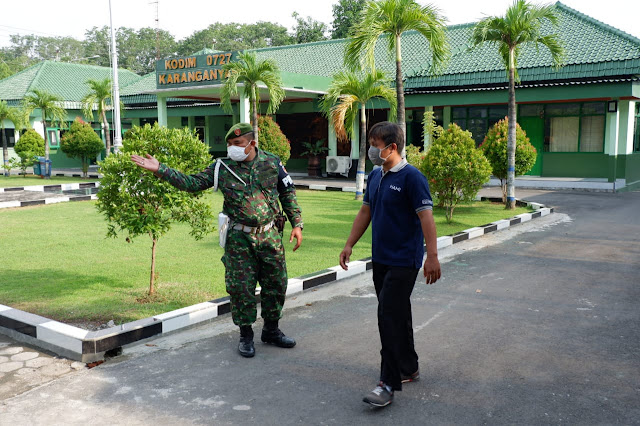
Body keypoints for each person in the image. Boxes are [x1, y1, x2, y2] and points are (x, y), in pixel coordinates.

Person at [131, 122, 303, 358]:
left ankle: (271, 331)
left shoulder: (272, 163)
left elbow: (287, 192)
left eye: (238, 144)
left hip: (270, 235)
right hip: (239, 239)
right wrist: (161, 169)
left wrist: (297, 224)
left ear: (251, 143)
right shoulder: (222, 167)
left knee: (276, 285)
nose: (232, 148)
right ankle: (246, 336)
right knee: (241, 289)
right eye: (230, 144)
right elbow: (192, 183)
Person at [339, 121, 441, 408]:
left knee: (388, 316)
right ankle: (409, 367)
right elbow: (365, 211)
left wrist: (431, 256)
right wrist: (349, 244)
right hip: (381, 259)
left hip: (404, 260)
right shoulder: (376, 176)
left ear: (392, 147)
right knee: (398, 314)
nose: (371, 150)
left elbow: (426, 218)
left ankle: (388, 382)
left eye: (375, 145)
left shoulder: (412, 178)